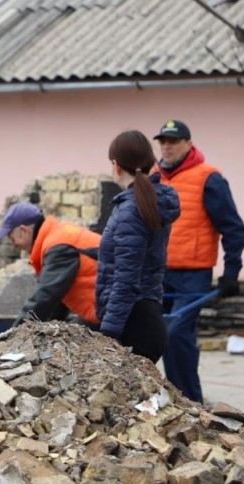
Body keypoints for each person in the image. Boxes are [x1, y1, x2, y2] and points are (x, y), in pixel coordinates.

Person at [154, 120, 244, 400]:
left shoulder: (209, 178)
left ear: (188, 143)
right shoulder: (153, 177)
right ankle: (156, 396)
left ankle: (189, 401)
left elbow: (232, 227)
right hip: (158, 273)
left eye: (173, 141)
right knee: (151, 334)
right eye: (163, 141)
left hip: (193, 275)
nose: (167, 146)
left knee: (177, 334)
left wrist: (232, 271)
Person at [96, 130, 181, 363]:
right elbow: (135, 256)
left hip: (134, 326)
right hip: (142, 317)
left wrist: (108, 334)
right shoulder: (144, 202)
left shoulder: (132, 210)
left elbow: (126, 278)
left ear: (116, 165)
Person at [0, 202, 101, 327]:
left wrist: (16, 334)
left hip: (117, 310)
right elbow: (57, 300)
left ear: (24, 230)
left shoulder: (58, 247)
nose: (14, 245)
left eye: (12, 239)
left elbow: (45, 297)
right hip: (108, 307)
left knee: (77, 341)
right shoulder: (56, 237)